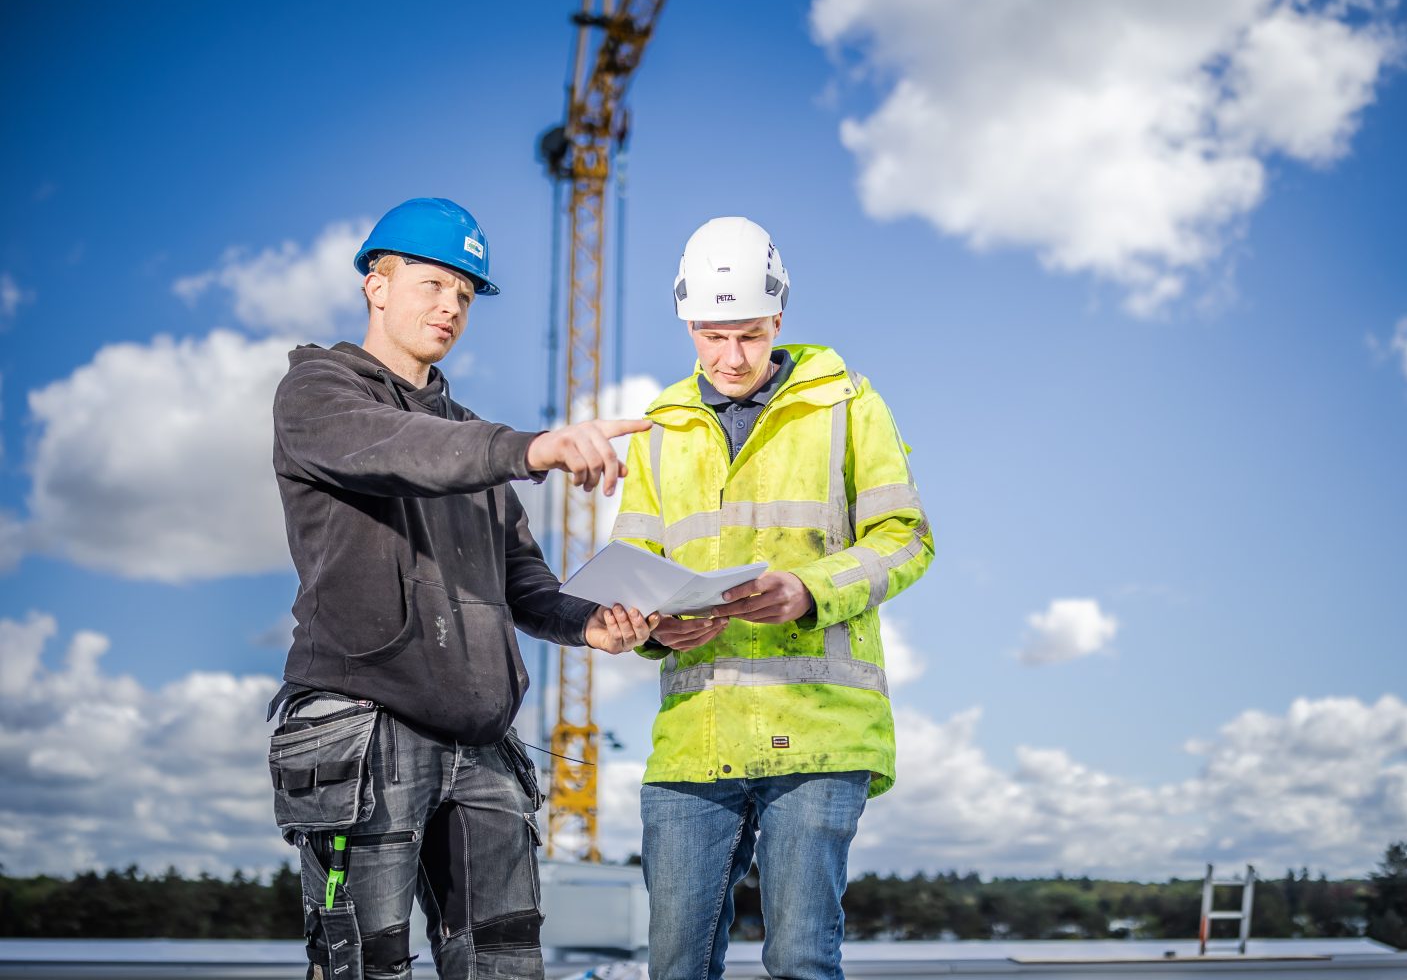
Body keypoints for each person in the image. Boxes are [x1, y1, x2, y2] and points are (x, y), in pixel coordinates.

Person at [267, 197, 656, 980]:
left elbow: (524, 582)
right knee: (364, 966)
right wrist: (532, 447)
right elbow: (397, 448)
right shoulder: (317, 394)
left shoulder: (471, 438)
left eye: (466, 294)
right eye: (433, 283)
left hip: (481, 745)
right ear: (377, 284)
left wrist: (593, 625)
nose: (451, 306)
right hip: (365, 730)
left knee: (504, 965)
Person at [611, 216, 935, 980]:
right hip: (697, 739)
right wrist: (655, 626)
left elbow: (907, 539)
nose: (731, 356)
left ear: (779, 319)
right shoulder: (658, 431)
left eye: (750, 336)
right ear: (688, 322)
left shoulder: (848, 406)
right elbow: (633, 570)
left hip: (819, 733)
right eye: (713, 336)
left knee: (798, 961)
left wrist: (808, 590)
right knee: (675, 968)